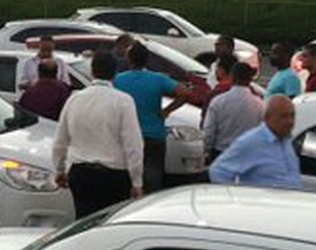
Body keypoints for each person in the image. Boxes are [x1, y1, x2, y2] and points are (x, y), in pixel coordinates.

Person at [53, 51, 144, 217]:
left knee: (83, 221)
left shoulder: (74, 99)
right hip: (114, 176)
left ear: (92, 71)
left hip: (80, 173)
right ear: (115, 73)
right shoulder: (123, 101)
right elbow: (133, 145)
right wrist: (137, 180)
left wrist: (59, 169)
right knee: (110, 224)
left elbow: (60, 140)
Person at [113, 43, 185, 193]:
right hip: (154, 134)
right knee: (153, 178)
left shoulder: (118, 80)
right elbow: (185, 93)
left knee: (128, 178)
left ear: (129, 60)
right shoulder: (158, 79)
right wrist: (167, 110)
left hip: (127, 135)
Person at [208, 95, 301, 189]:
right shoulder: (252, 142)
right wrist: (235, 198)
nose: (290, 121)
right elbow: (218, 171)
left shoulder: (286, 140)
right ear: (267, 118)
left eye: (292, 115)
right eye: (283, 117)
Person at [202, 62, 264, 163]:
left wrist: (206, 151)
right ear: (250, 79)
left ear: (232, 77)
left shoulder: (218, 101)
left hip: (222, 153)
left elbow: (209, 132)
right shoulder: (259, 104)